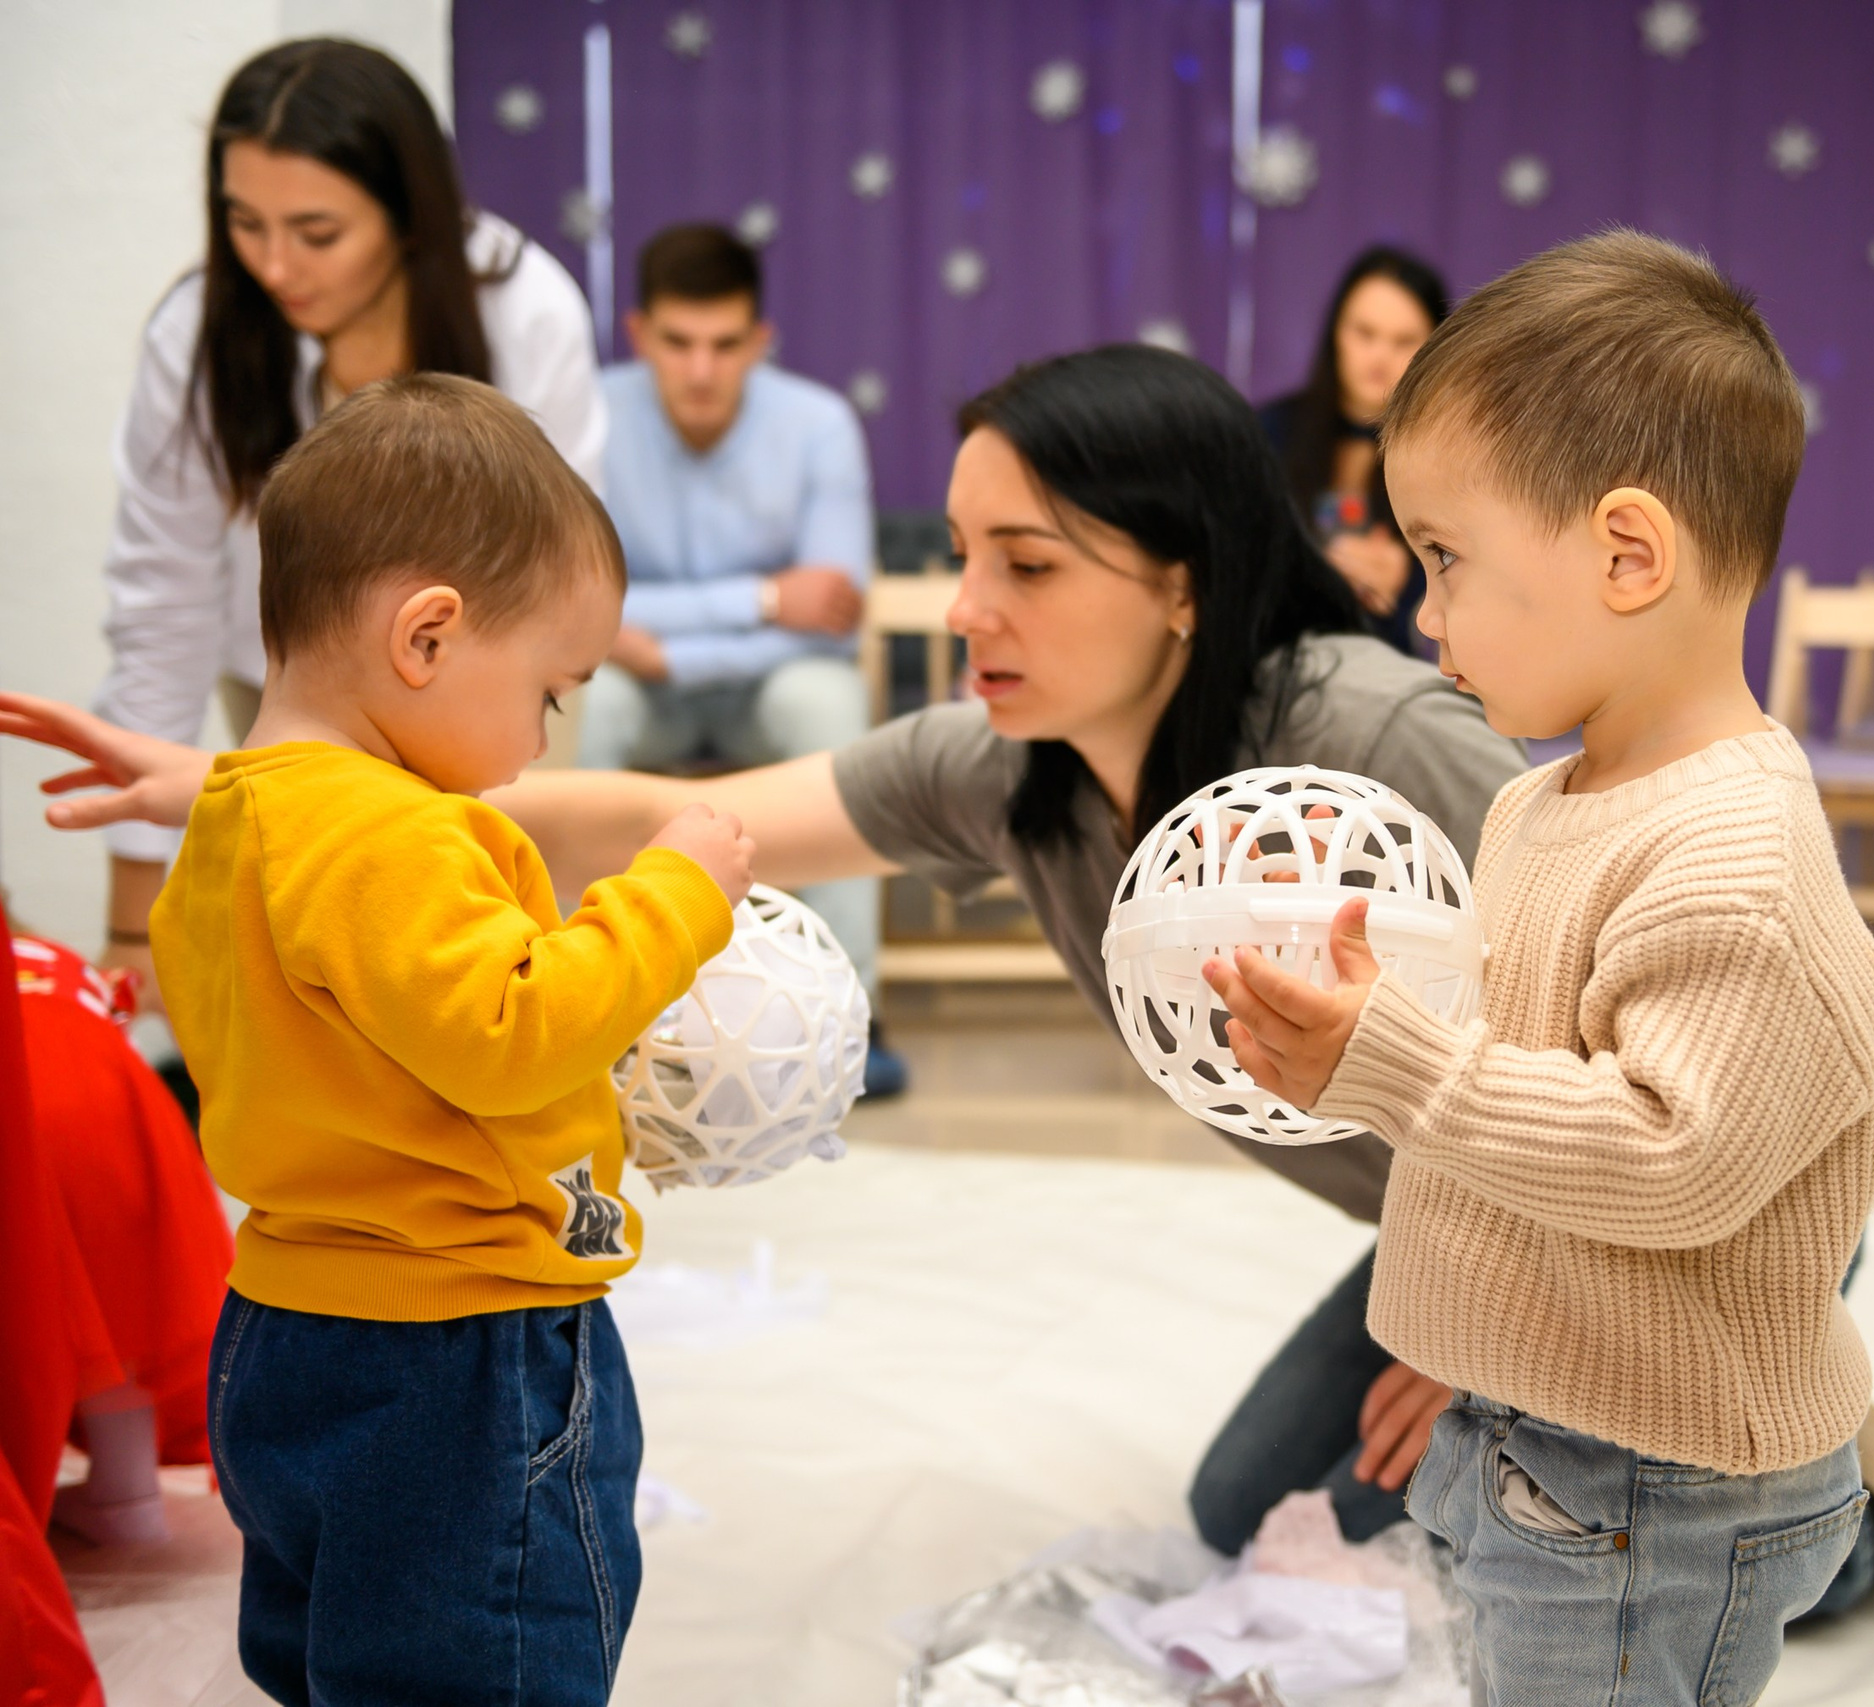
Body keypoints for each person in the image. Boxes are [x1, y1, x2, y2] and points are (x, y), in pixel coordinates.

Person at [4, 343, 1528, 1578]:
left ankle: (1764, 1497)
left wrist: (1494, 1337)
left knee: (1529, 1509)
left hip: (1599, 1233)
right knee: (1246, 1509)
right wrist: (260, 784)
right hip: (1432, 1232)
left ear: (1183, 582)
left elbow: (1647, 1067)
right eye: (960, 552)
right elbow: (675, 818)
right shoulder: (1016, 761)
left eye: (1031, 564)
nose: (969, 606)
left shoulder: (1364, 741)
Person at [1200, 232, 1874, 1705]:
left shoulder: (1737, 856)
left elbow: (1666, 1156)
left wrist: (1396, 1056)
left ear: (1629, 555)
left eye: (1449, 560)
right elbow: (1512, 1058)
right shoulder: (1534, 802)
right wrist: (1366, 997)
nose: (1426, 613)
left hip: (1658, 1483)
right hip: (1531, 1427)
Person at [149, 376, 750, 1702]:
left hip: (282, 1326)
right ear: (425, 635)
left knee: (331, 1655)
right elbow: (516, 1030)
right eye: (548, 690)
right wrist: (674, 893)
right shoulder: (398, 831)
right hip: (459, 1353)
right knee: (498, 1654)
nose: (542, 739)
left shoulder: (236, 818)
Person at [89, 38, 603, 1015]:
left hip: (498, 678)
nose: (276, 264)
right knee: (321, 984)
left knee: (489, 983)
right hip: (299, 687)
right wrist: (128, 916)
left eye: (317, 232)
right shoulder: (199, 336)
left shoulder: (525, 310)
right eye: (245, 223)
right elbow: (161, 608)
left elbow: (560, 579)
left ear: (409, 215)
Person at [586, 223, 902, 1096]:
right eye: (678, 343)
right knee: (592, 702)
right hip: (637, 685)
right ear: (640, 332)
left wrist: (662, 646)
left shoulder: (818, 423)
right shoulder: (587, 415)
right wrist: (764, 597)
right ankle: (589, 1010)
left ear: (759, 341)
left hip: (756, 682)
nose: (700, 369)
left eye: (725, 345)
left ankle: (851, 1024)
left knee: (827, 699)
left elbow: (832, 621)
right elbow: (576, 608)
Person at [11, 928, 231, 1548]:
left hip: (22, 1101)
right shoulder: (62, 962)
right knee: (124, 1301)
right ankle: (125, 1492)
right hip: (123, 1112)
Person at [1262, 247, 1449, 655]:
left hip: (1396, 674)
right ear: (1335, 333)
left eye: (1404, 340)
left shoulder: (1451, 457)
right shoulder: (1269, 432)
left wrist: (1422, 577)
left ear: (1436, 350)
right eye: (1364, 333)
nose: (1380, 356)